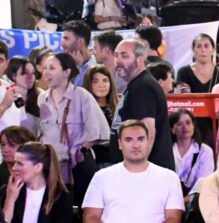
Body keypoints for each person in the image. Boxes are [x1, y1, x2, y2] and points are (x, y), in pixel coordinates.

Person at [37, 52, 110, 204]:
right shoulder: (42, 98)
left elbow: (98, 131)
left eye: (52, 68)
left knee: (83, 211)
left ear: (66, 72)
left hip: (78, 165)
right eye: (45, 68)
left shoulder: (81, 95)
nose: (46, 72)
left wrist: (81, 149)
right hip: (51, 167)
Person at [111, 39, 174, 171]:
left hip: (145, 173)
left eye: (125, 56)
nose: (118, 61)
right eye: (116, 55)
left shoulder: (143, 87)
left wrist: (139, 169)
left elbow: (148, 130)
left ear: (140, 60)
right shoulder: (138, 84)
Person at [174, 34, 219, 146]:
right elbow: (182, 96)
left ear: (213, 49)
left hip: (217, 125)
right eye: (199, 46)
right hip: (191, 125)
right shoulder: (183, 72)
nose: (203, 50)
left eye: (206, 46)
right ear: (194, 50)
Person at [170, 109, 214, 193]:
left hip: (195, 199)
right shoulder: (167, 151)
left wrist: (185, 200)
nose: (185, 127)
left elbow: (203, 184)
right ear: (173, 129)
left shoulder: (205, 151)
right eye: (179, 124)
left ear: (193, 126)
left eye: (188, 123)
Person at [0, 57, 41, 134]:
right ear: (13, 75)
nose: (30, 77)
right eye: (25, 73)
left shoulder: (41, 96)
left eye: (33, 73)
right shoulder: (5, 95)